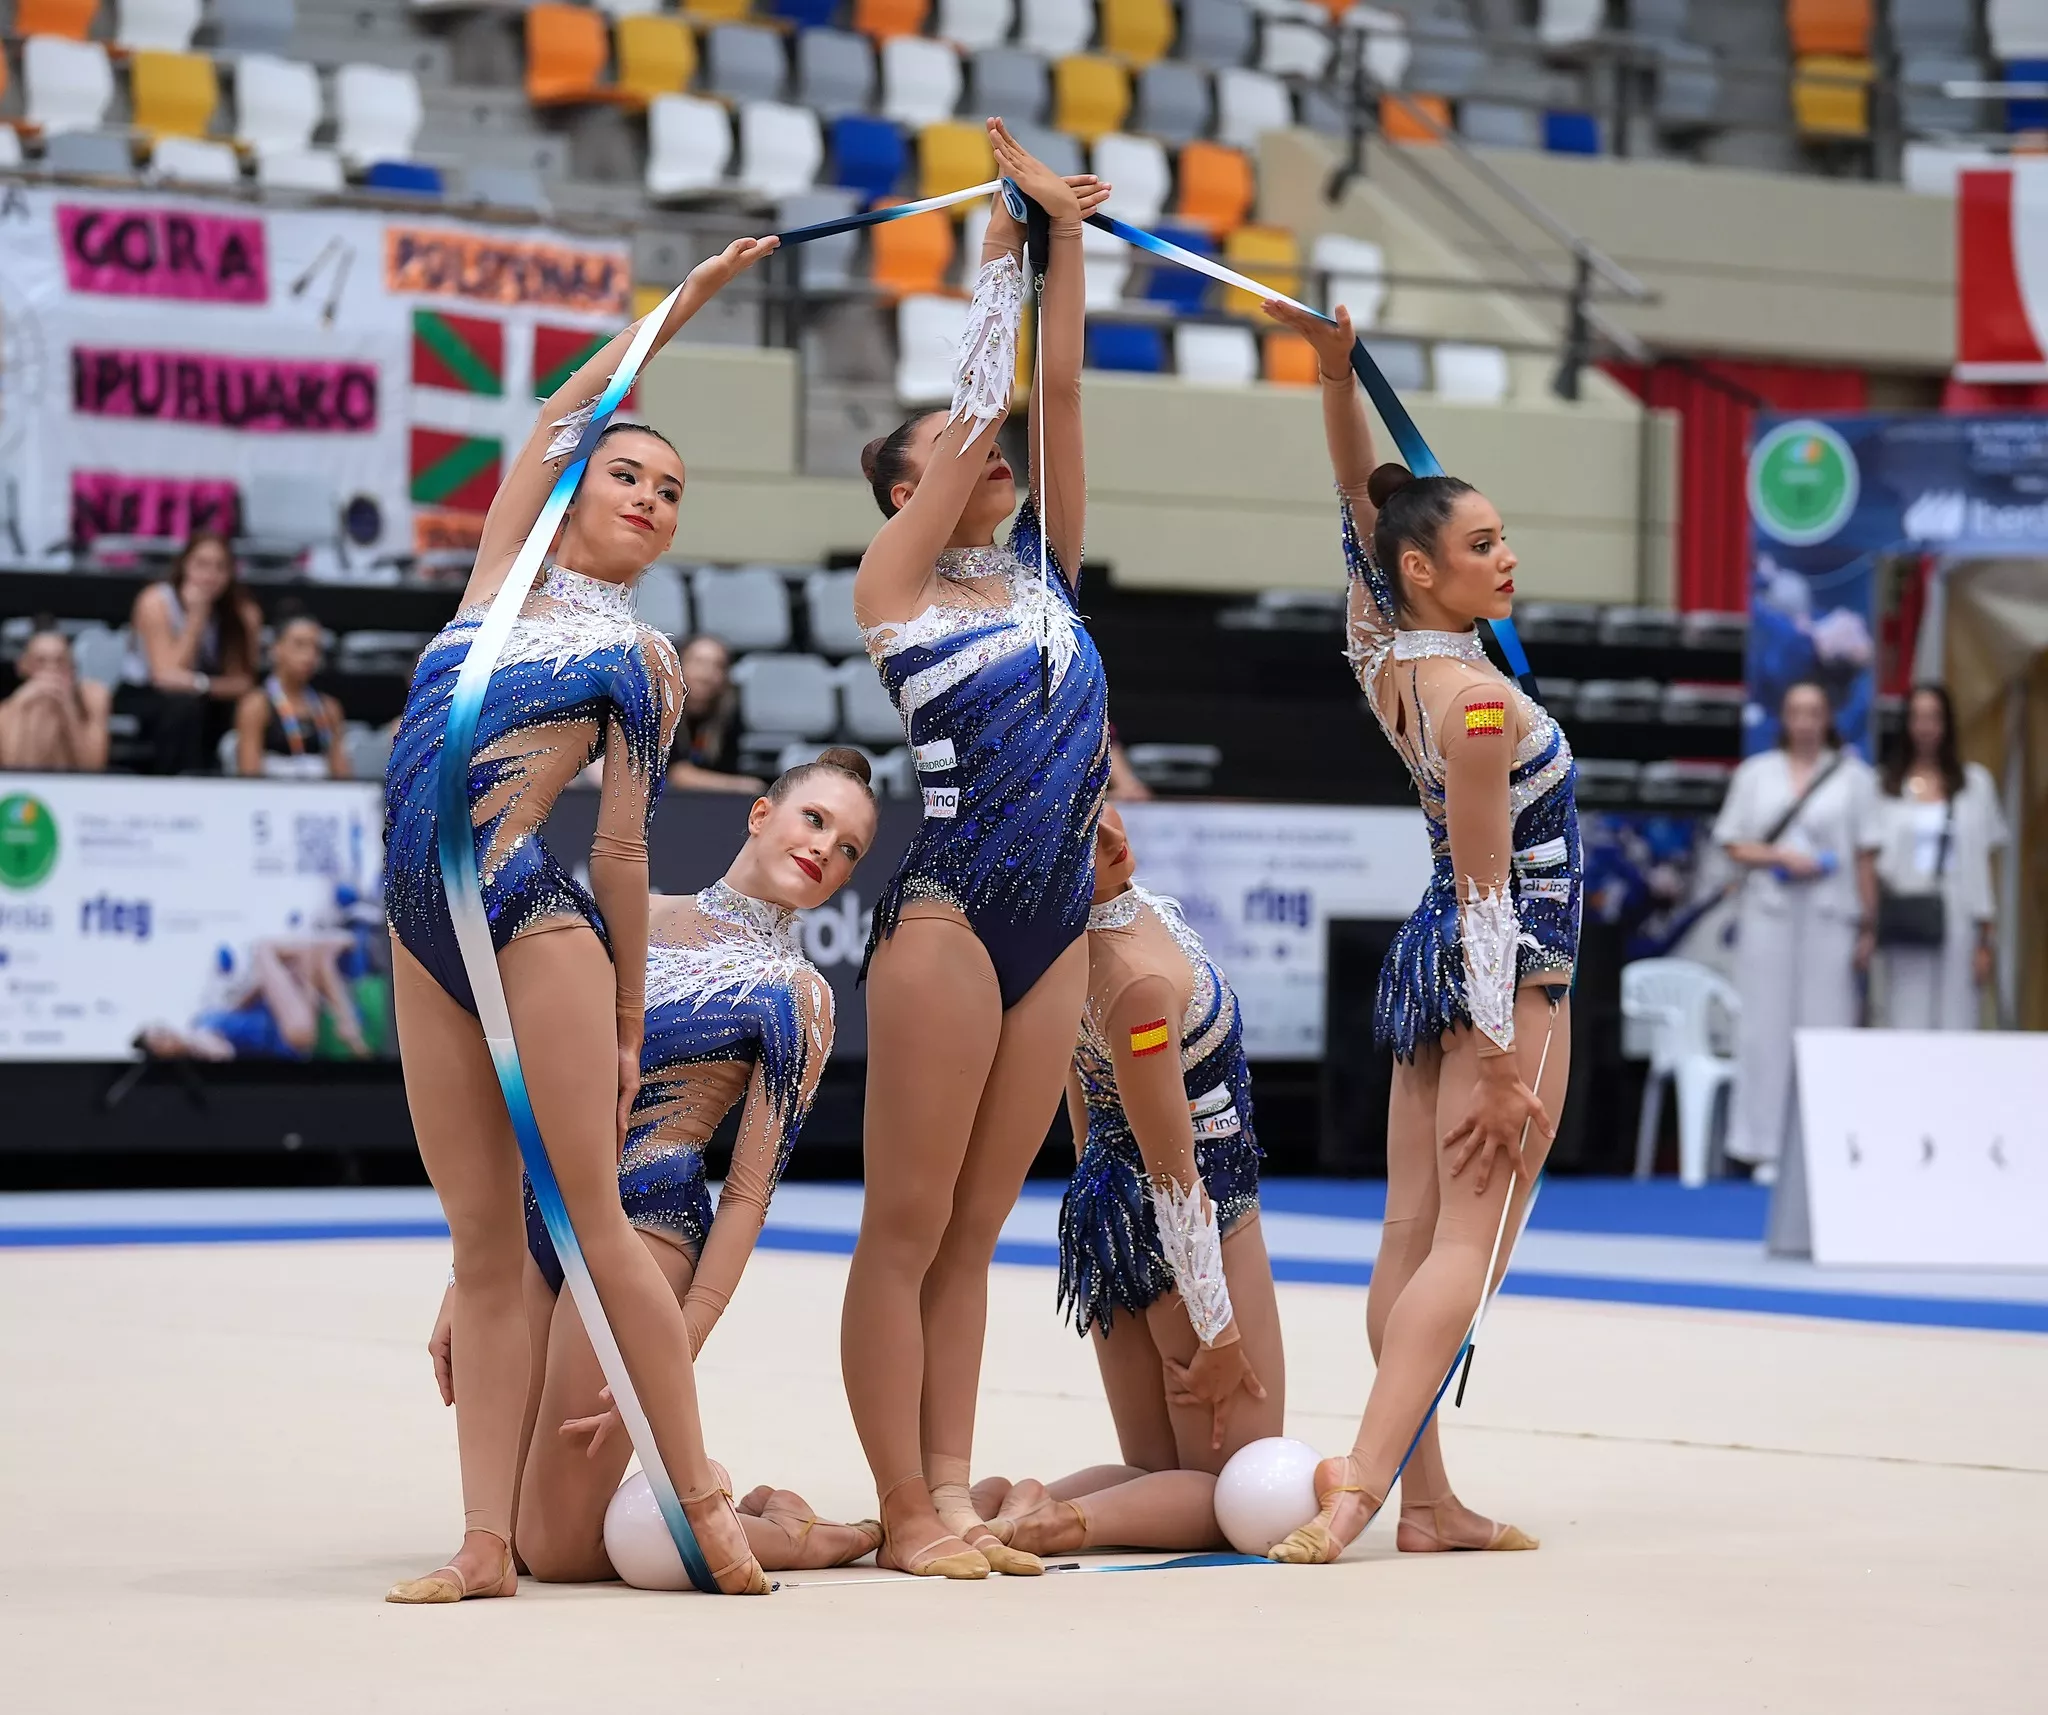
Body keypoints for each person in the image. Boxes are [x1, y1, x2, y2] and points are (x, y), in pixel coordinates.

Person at [379, 234, 781, 1604]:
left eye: (672, 492)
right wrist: (680, 311)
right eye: (631, 473)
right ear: (578, 483)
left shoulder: (640, 654)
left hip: (531, 926)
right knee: (485, 1250)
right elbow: (564, 411)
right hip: (419, 931)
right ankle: (484, 1542)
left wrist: (622, 1024)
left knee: (596, 1228)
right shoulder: (497, 577)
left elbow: (619, 848)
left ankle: (711, 1500)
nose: (652, 499)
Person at [839, 124, 1112, 1581]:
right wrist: (1001, 242)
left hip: (1055, 919)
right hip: (949, 914)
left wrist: (1062, 241)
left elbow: (1048, 389)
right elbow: (981, 401)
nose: (990, 455)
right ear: (904, 494)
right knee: (907, 1221)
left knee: (980, 1229)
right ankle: (900, 1512)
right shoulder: (898, 589)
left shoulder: (1048, 569)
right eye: (954, 455)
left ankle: (946, 1495)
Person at [1259, 298, 1572, 1566]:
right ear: (1425, 571)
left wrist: (1334, 378)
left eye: (1505, 536)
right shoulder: (1475, 707)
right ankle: (1365, 1488)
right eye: (1482, 542)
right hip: (1504, 966)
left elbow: (1356, 495)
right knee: (1467, 1244)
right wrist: (1501, 1051)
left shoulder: (1387, 650)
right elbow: (1496, 894)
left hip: (1423, 957)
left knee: (1408, 1236)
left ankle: (1431, 1498)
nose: (1505, 558)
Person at [424, 750, 884, 1580]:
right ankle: (705, 1488)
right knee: (510, 1525)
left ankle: (808, 1535)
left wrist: (680, 1334)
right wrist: (470, 1274)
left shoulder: (798, 994)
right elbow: (534, 1098)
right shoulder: (632, 918)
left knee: (557, 1549)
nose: (826, 849)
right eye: (814, 819)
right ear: (760, 814)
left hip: (645, 1232)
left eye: (849, 847)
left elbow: (748, 1191)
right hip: (545, 1219)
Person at [972, 805, 1283, 1554]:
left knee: (1154, 1469)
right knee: (1235, 1494)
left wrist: (1094, 1198)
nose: (1112, 834)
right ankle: (1056, 1525)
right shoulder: (1135, 981)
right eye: (1083, 835)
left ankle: (1003, 1510)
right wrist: (1217, 1333)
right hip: (1184, 1230)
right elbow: (1178, 1182)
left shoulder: (1084, 938)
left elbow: (1080, 1085)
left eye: (1099, 805)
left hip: (1111, 1215)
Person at [1713, 678, 1877, 1175]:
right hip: (1770, 914)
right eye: (1796, 711)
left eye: (1814, 711)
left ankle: (1823, 1143)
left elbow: (1867, 855)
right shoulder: (1757, 774)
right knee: (1764, 1029)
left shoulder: (1854, 778)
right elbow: (1733, 842)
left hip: (1831, 919)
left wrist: (1870, 926)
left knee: (1827, 1027)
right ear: (1784, 717)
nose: (1805, 721)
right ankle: (1762, 1147)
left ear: (1828, 718)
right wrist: (1780, 856)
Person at [1869, 684, 2005, 1030]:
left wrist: (1987, 937)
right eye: (1917, 718)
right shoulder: (1885, 785)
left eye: (1933, 718)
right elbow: (1871, 860)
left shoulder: (1975, 783)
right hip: (1906, 908)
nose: (1925, 727)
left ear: (1946, 724)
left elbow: (1987, 862)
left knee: (1959, 1016)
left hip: (1959, 909)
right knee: (1905, 1014)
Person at [116, 533, 264, 774]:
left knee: (248, 707)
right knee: (183, 707)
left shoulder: (243, 611)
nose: (210, 575)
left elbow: (243, 682)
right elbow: (165, 675)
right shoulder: (156, 601)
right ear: (184, 565)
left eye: (220, 567)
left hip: (206, 692)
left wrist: (200, 685)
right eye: (202, 564)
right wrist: (196, 618)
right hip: (144, 693)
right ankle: (178, 788)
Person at [234, 608, 348, 780]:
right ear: (276, 649)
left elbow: (343, 775)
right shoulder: (257, 705)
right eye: (299, 645)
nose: (309, 656)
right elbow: (249, 775)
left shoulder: (329, 707)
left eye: (316, 648)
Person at [0, 627, 110, 772]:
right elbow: (8, 767)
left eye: (60, 661)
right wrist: (20, 705)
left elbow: (93, 766)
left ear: (72, 667)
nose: (51, 669)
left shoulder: (91, 698)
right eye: (41, 661)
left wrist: (68, 710)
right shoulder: (8, 708)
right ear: (23, 666)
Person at [667, 633, 764, 794]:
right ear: (678, 665)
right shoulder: (660, 709)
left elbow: (727, 768)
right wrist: (739, 785)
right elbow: (676, 774)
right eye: (698, 662)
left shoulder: (727, 715)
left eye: (718, 665)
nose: (706, 674)